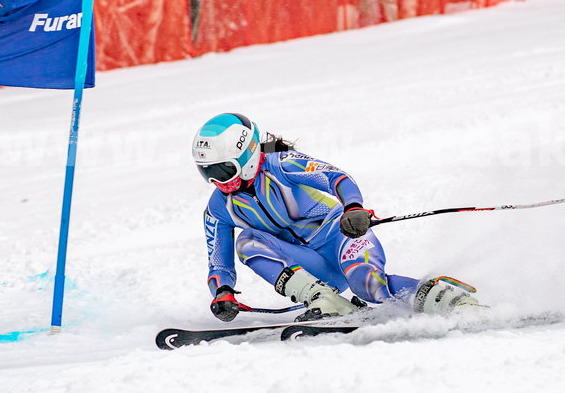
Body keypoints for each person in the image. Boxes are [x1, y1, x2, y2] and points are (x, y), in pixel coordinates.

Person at [191, 112, 483, 322]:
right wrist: (223, 292)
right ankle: (325, 301)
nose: (218, 182)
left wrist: (353, 207)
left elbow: (336, 178)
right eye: (208, 173)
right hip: (313, 267)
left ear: (248, 155)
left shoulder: (282, 165)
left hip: (342, 236)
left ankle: (449, 297)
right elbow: (219, 261)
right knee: (247, 241)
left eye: (223, 170)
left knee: (369, 286)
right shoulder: (219, 208)